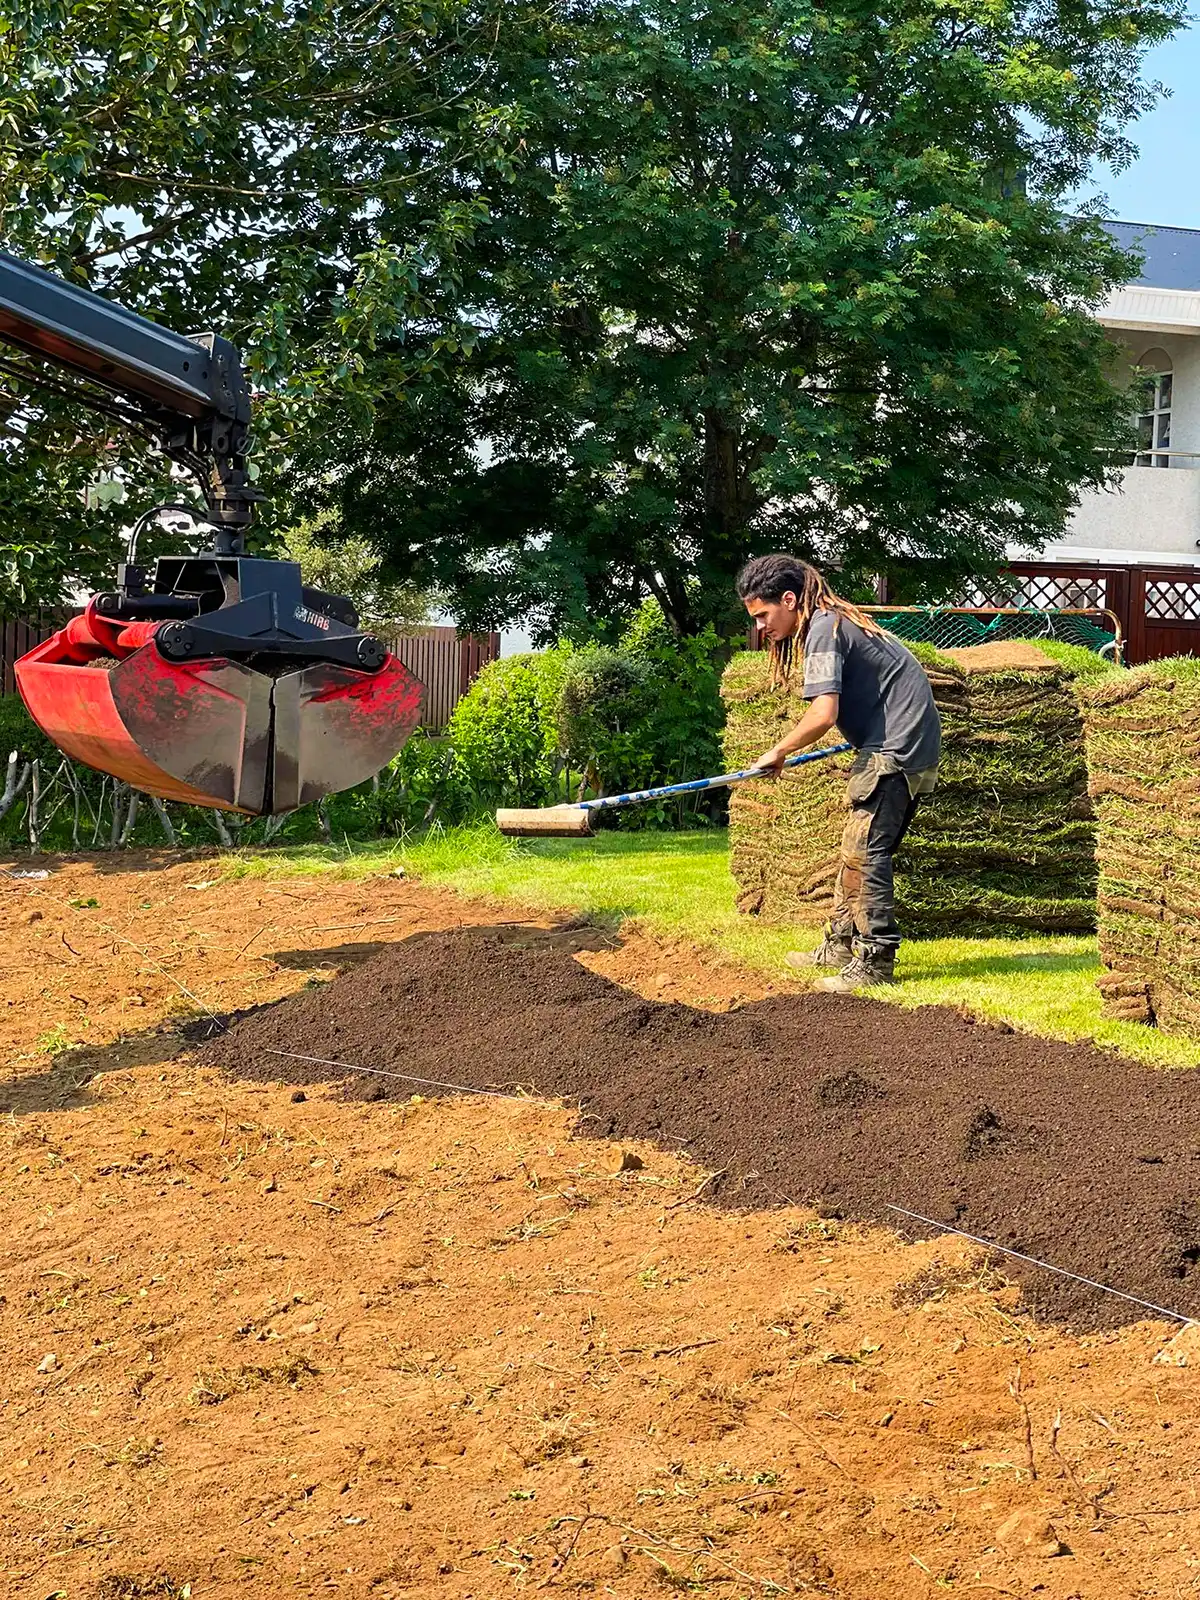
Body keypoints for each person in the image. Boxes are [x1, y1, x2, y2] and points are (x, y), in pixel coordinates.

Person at [735, 553, 941, 991]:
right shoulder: (830, 621)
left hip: (896, 750)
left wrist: (779, 750)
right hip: (905, 744)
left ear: (789, 600)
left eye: (763, 614)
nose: (760, 627)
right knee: (855, 847)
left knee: (867, 852)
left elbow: (823, 713)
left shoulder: (825, 630)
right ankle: (842, 944)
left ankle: (875, 961)